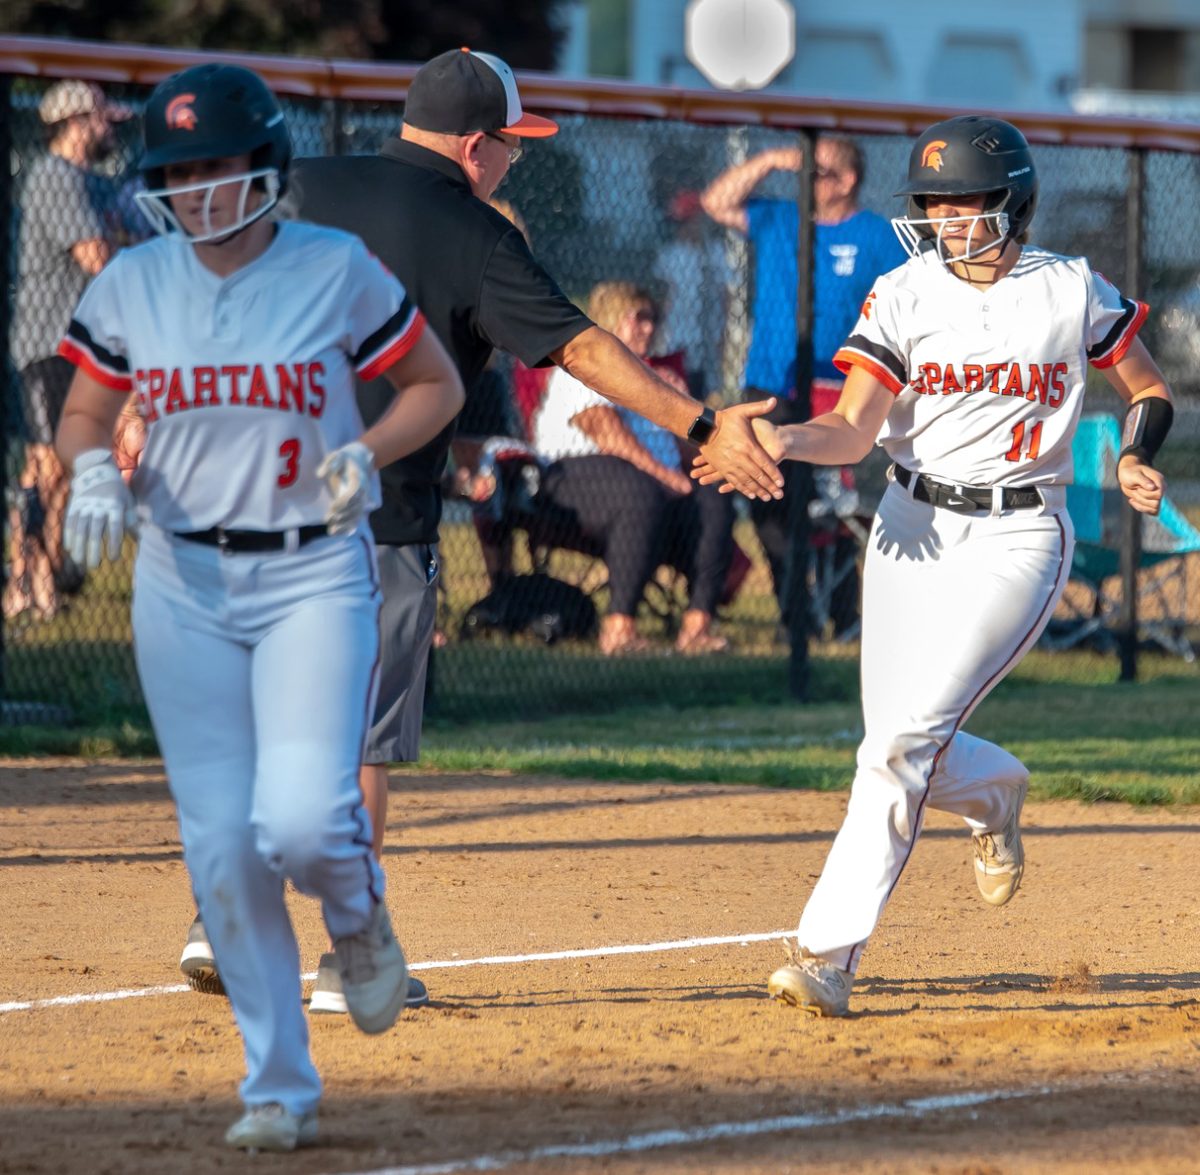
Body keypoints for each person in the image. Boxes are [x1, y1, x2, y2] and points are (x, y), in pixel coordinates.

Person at [175, 48, 784, 1009]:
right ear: (472, 146)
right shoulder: (474, 233)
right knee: (360, 745)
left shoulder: (294, 186)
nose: (515, 162)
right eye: (510, 145)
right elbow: (585, 349)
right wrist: (703, 423)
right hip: (371, 521)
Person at [54, 63, 464, 1150]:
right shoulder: (133, 282)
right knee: (223, 849)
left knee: (301, 815)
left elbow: (438, 386)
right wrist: (88, 468)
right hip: (181, 582)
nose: (196, 188)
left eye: (216, 164)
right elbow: (85, 409)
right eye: (177, 170)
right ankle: (277, 1080)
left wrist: (366, 454)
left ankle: (358, 913)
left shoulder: (334, 266)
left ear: (265, 165)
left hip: (310, 573)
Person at [695, 115, 1174, 1017]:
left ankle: (828, 953)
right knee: (899, 741)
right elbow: (853, 426)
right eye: (936, 204)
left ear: (1013, 202)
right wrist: (783, 436)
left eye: (966, 202)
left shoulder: (1070, 289)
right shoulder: (903, 291)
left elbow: (1146, 387)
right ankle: (996, 793)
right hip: (909, 523)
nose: (948, 219)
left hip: (1020, 536)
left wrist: (1133, 456)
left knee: (899, 746)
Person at [701, 135, 906, 635]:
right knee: (767, 498)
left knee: (830, 505)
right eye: (806, 172)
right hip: (770, 387)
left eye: (820, 172)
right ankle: (795, 615)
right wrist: (771, 160)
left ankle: (842, 613)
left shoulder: (876, 236)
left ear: (849, 179)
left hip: (838, 393)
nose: (808, 181)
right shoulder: (780, 219)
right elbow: (716, 202)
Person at [532, 281, 734, 654]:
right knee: (637, 492)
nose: (649, 327)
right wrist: (666, 478)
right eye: (639, 317)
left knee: (713, 495)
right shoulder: (586, 364)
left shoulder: (650, 377)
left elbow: (686, 450)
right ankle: (619, 628)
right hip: (573, 478)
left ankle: (697, 626)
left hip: (653, 484)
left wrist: (683, 405)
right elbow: (608, 435)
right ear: (611, 319)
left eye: (653, 319)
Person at [6, 80, 132, 620]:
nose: (110, 131)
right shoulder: (56, 177)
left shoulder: (90, 181)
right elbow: (100, 257)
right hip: (47, 344)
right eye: (103, 120)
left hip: (78, 346)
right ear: (78, 121)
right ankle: (20, 582)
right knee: (43, 468)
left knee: (65, 465)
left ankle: (47, 578)